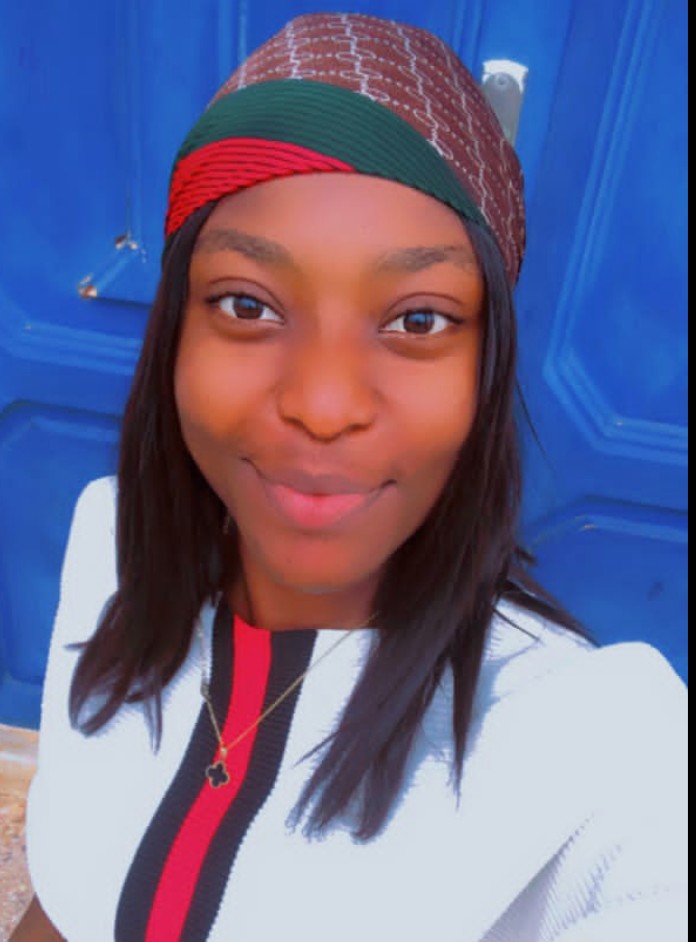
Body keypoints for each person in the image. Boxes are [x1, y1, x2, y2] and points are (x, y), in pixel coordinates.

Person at [12, 12, 687, 942]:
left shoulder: (597, 744)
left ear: (487, 367)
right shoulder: (111, 546)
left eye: (418, 320)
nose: (324, 405)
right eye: (246, 304)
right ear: (175, 334)